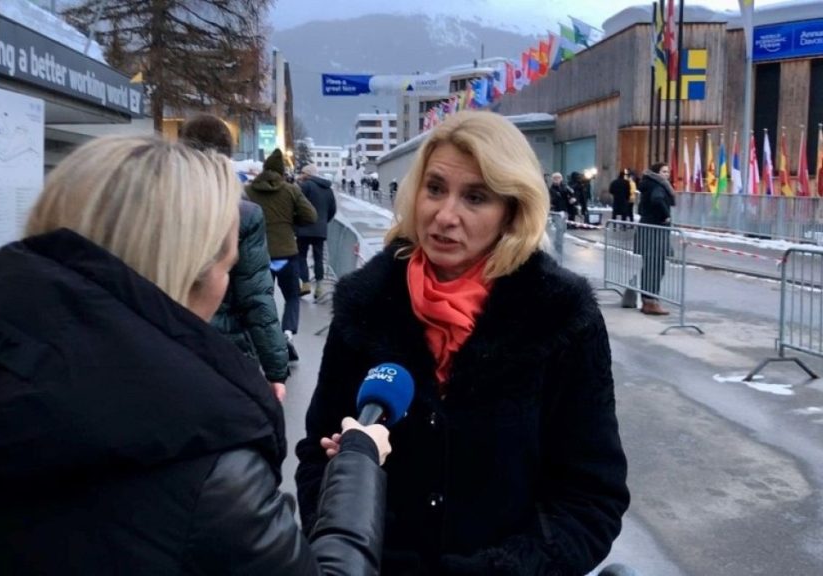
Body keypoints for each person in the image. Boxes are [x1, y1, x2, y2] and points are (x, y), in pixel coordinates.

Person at [0, 137, 392, 575]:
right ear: (186, 268)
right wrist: (359, 462)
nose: (225, 282)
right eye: (227, 267)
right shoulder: (208, 468)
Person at [295, 111, 629, 576]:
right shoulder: (365, 308)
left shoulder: (561, 318)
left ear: (512, 210)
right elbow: (316, 457)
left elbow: (591, 496)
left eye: (475, 197)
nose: (445, 215)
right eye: (435, 189)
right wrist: (347, 548)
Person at [179, 113, 289, 402]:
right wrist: (276, 370)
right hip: (227, 353)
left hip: (163, 346)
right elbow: (256, 297)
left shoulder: (155, 204)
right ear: (227, 155)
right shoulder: (241, 214)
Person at [246, 148, 317, 362]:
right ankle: (287, 334)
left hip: (259, 253)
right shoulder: (291, 190)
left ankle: (264, 341)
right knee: (292, 296)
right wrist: (291, 224)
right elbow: (310, 216)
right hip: (286, 253)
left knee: (262, 299)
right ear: (281, 171)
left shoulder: (248, 191)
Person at [636, 161, 675, 316]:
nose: (667, 174)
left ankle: (647, 300)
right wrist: (666, 215)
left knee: (650, 266)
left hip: (648, 230)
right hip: (655, 232)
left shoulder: (648, 184)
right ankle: (651, 302)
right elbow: (657, 200)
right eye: (664, 171)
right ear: (656, 173)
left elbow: (642, 207)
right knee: (656, 268)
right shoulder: (658, 186)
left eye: (668, 171)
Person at [296, 164, 337, 302]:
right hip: (320, 230)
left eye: (302, 173)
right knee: (318, 258)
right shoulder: (328, 189)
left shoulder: (306, 186)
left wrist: (296, 220)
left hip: (303, 228)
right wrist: (324, 221)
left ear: (307, 174)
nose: (300, 175)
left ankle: (305, 283)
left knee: (301, 256)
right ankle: (319, 286)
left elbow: (298, 204)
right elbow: (332, 209)